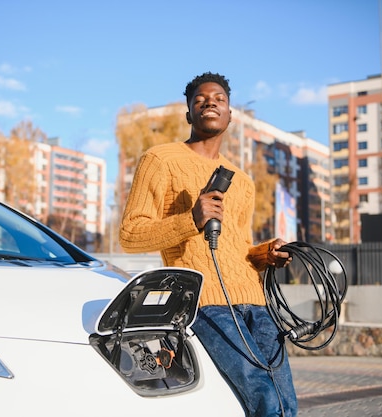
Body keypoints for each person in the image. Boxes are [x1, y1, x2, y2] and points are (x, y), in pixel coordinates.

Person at [119, 71, 298, 416]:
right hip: (206, 303)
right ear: (189, 114)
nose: (210, 103)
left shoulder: (242, 181)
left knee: (285, 401)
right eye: (200, 99)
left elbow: (238, 248)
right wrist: (191, 220)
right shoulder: (161, 160)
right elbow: (130, 234)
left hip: (257, 305)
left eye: (219, 99)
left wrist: (266, 254)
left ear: (230, 114)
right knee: (265, 397)